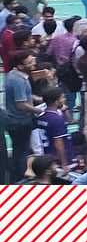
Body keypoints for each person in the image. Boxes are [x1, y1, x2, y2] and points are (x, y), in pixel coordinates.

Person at [5, 51, 42, 182]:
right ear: (20, 66)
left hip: (14, 120)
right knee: (22, 152)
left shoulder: (12, 74)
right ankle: (20, 178)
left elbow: (23, 95)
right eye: (30, 62)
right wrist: (37, 110)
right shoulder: (19, 80)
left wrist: (37, 98)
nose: (33, 63)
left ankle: (15, 175)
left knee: (18, 150)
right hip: (20, 121)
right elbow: (21, 104)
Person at [36, 87, 73, 170]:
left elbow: (69, 120)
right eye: (62, 98)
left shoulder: (41, 116)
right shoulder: (56, 119)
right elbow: (58, 143)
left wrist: (65, 109)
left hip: (47, 154)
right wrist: (64, 163)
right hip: (57, 159)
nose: (64, 99)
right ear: (56, 102)